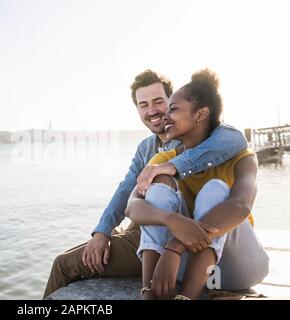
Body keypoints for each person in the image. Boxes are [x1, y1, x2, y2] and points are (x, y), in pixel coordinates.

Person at [42, 70, 248, 299]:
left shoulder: (195, 136)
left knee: (64, 265)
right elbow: (126, 191)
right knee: (80, 254)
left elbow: (236, 139)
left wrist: (172, 166)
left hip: (173, 233)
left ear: (172, 101)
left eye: (159, 102)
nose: (152, 111)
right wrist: (102, 232)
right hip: (144, 225)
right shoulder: (146, 148)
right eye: (143, 104)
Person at [125, 69, 269, 300]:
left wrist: (175, 246)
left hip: (238, 269)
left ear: (200, 115)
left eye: (173, 109)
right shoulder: (162, 162)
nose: (165, 117)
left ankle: (187, 298)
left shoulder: (241, 156)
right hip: (189, 268)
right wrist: (169, 219)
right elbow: (132, 206)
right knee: (158, 187)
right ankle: (149, 293)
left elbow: (241, 206)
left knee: (215, 189)